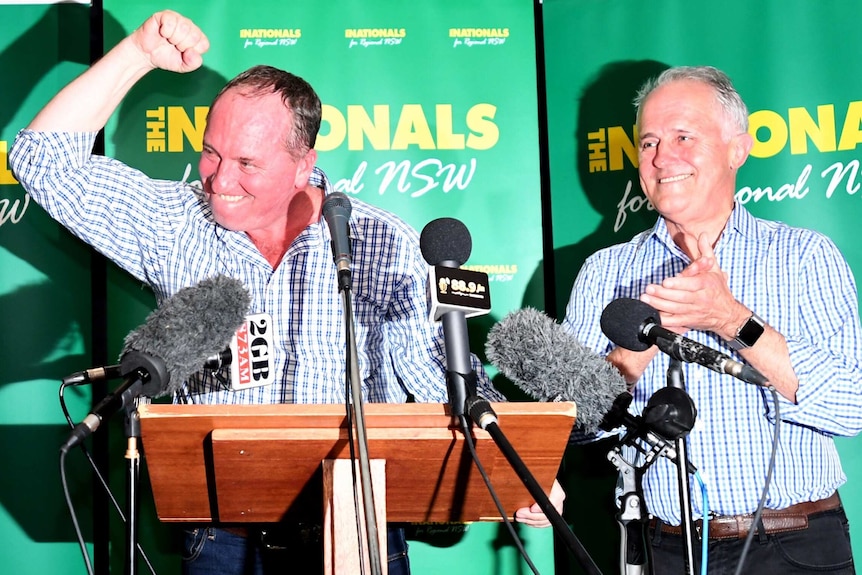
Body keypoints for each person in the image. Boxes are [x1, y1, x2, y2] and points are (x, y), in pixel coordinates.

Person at [9, 9, 564, 575]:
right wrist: (137, 55)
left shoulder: (379, 240)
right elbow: (41, 160)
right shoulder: (175, 222)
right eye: (211, 153)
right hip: (220, 537)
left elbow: (436, 372)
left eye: (247, 162)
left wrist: (523, 469)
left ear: (304, 165)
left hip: (358, 525)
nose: (221, 181)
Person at [562, 65, 862, 574]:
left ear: (737, 149)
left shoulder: (803, 255)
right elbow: (575, 430)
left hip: (791, 545)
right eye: (649, 141)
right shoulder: (604, 270)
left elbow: (853, 407)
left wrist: (733, 321)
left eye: (684, 136)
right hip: (659, 549)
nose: (662, 157)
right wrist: (625, 364)